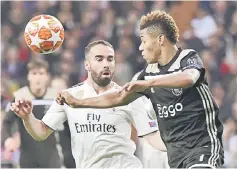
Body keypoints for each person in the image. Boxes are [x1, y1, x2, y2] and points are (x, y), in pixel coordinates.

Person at [58, 10, 224, 169]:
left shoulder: (186, 58)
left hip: (203, 146)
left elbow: (188, 78)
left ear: (160, 40)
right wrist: (78, 102)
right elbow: (116, 98)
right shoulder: (146, 74)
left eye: (144, 41)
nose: (140, 47)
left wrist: (148, 84)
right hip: (176, 155)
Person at [10, 40, 166, 168]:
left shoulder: (128, 96)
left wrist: (183, 144)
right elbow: (41, 132)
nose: (106, 64)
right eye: (99, 59)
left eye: (110, 59)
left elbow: (152, 136)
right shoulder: (68, 97)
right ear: (87, 65)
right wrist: (27, 117)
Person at [2, 59, 75, 168]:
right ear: (28, 76)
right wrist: (8, 139)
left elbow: (68, 127)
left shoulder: (56, 97)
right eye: (34, 73)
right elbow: (7, 122)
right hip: (27, 157)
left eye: (41, 73)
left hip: (52, 156)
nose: (38, 77)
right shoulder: (20, 96)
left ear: (47, 76)